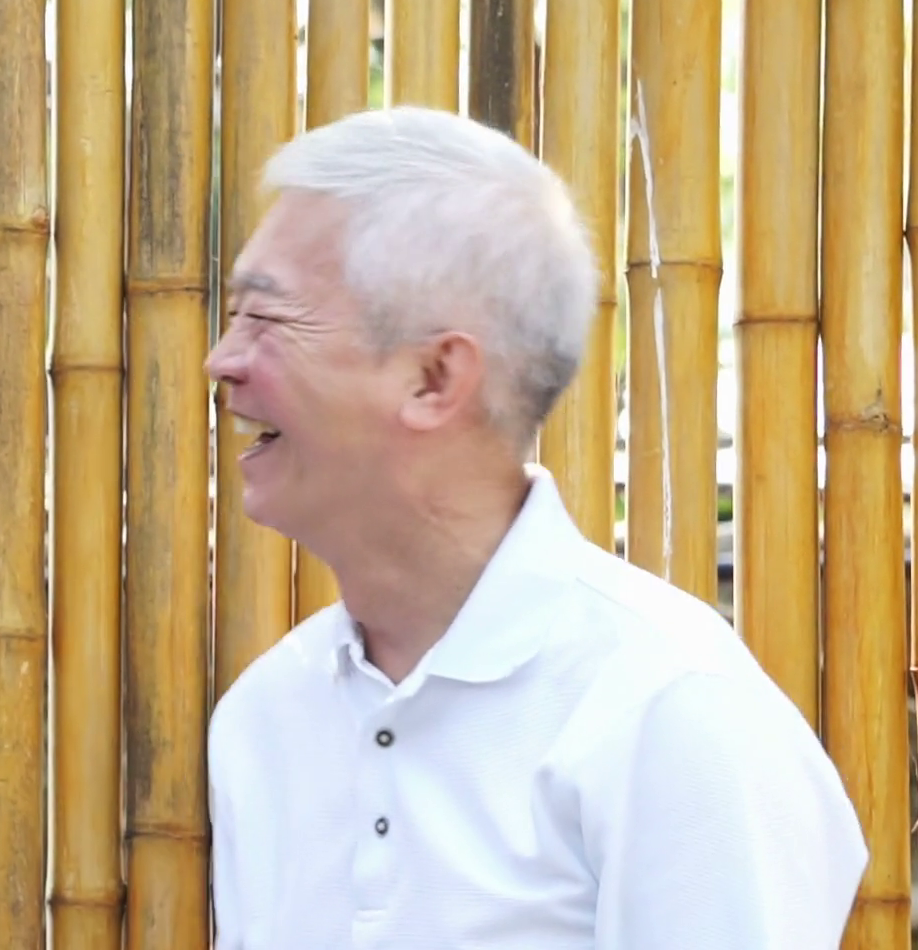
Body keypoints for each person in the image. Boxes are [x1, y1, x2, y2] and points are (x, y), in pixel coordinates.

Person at [204, 106, 866, 948]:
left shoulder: (671, 712)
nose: (221, 360)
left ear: (434, 376)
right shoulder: (266, 718)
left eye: (264, 319)